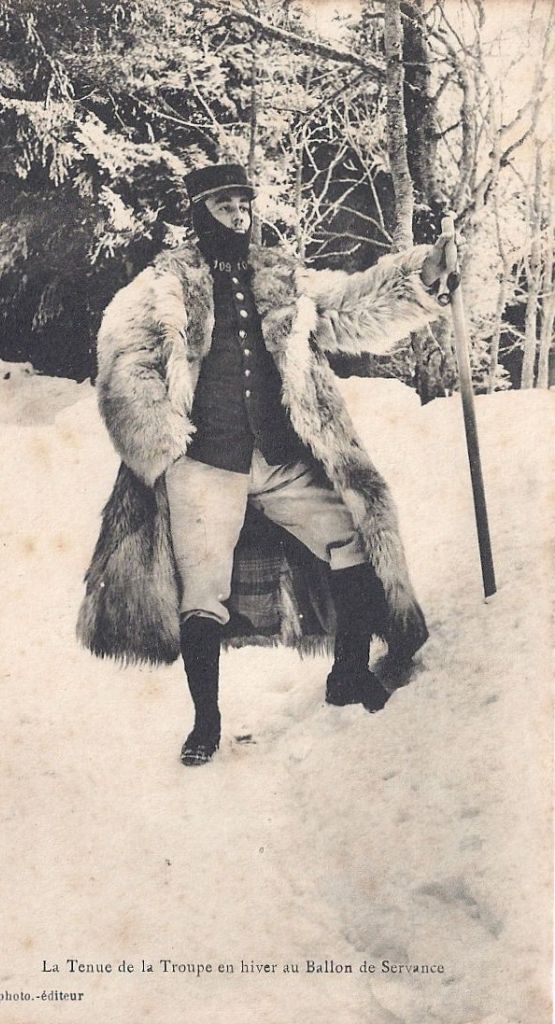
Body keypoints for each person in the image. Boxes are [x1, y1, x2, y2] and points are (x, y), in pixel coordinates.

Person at [78, 162, 449, 766]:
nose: (238, 214)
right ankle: (206, 723)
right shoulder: (159, 287)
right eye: (224, 204)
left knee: (355, 538)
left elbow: (350, 306)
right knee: (202, 590)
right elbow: (125, 369)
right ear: (199, 212)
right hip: (203, 464)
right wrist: (164, 445)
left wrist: (422, 275)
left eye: (243, 203)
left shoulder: (280, 278)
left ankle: (349, 674)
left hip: (280, 458)